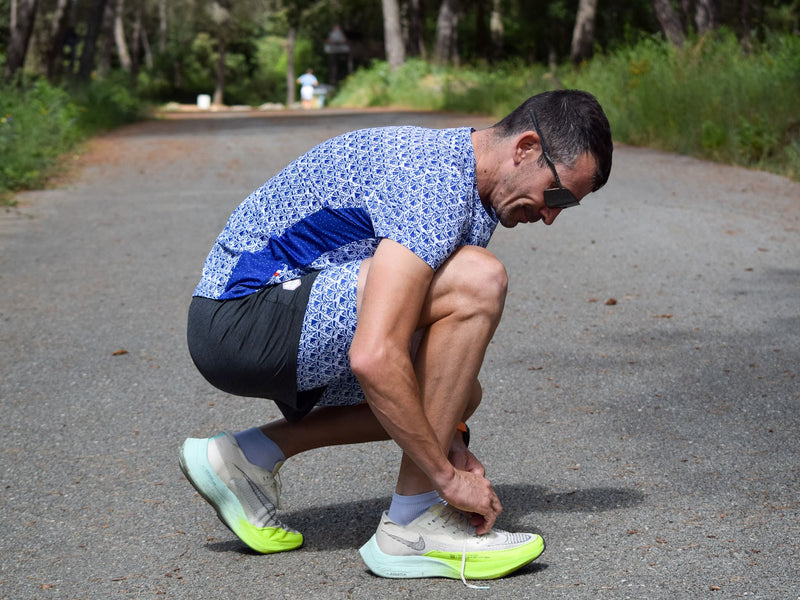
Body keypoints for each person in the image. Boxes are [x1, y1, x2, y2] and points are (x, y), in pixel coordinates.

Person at [180, 89, 613, 583]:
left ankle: (245, 457)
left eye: (566, 207)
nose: (552, 216)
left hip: (269, 317)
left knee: (459, 395)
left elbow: (429, 361)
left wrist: (449, 438)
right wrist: (445, 478)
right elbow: (374, 354)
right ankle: (412, 525)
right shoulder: (433, 182)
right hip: (239, 318)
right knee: (477, 280)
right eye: (556, 195)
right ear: (525, 148)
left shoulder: (467, 187)